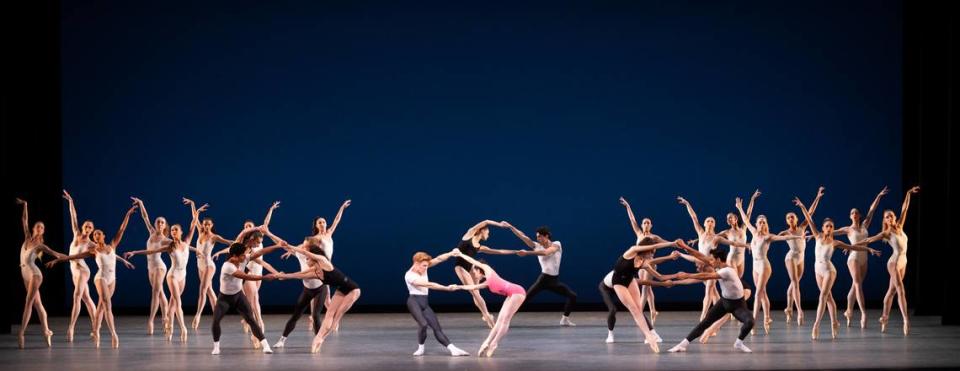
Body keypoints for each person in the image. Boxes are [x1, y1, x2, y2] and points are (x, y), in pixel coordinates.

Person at [48, 203, 138, 348]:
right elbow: (73, 256)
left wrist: (127, 214)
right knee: (107, 305)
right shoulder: (93, 250)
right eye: (94, 234)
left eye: (98, 233)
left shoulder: (112, 245)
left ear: (103, 236)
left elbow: (121, 229)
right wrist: (58, 259)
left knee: (101, 307)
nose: (95, 235)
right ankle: (114, 334)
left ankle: (95, 330)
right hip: (100, 278)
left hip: (112, 279)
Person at [794, 196, 881, 340]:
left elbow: (853, 246)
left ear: (833, 229)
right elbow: (809, 219)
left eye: (831, 226)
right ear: (823, 228)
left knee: (822, 295)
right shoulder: (817, 235)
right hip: (817, 269)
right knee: (828, 298)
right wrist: (802, 206)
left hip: (829, 270)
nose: (829, 228)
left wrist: (869, 250)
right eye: (826, 226)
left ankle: (816, 325)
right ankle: (835, 322)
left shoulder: (836, 242)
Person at [269, 234, 360, 354]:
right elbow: (298, 275)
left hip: (353, 290)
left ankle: (324, 335)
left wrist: (289, 246)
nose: (306, 261)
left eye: (308, 259)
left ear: (313, 257)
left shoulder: (323, 261)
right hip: (341, 290)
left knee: (335, 318)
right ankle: (318, 339)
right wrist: (281, 275)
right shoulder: (315, 272)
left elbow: (307, 254)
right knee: (329, 315)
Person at [124, 199, 200, 342]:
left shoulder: (176, 241)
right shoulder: (166, 243)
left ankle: (166, 324)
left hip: (172, 271)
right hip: (169, 274)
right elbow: (150, 249)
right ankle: (180, 328)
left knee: (171, 301)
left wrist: (193, 206)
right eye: (158, 222)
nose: (173, 232)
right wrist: (141, 203)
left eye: (174, 229)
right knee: (172, 300)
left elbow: (193, 224)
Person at [733, 196, 803, 334]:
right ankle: (767, 317)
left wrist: (797, 237)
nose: (762, 224)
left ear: (766, 224)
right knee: (763, 294)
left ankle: (751, 323)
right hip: (755, 267)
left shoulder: (768, 236)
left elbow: (783, 237)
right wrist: (740, 208)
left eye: (764, 222)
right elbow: (746, 220)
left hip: (765, 266)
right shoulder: (753, 233)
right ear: (757, 224)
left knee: (758, 293)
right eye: (760, 222)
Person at [857, 186, 920, 335]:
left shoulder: (900, 226)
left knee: (891, 292)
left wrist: (908, 193)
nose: (890, 218)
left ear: (894, 217)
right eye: (887, 217)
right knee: (900, 290)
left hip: (903, 262)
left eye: (891, 216)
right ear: (884, 220)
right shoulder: (886, 233)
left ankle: (884, 317)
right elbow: (869, 239)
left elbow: (905, 209)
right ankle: (906, 320)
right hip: (893, 262)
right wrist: (852, 246)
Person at [667, 248, 755, 353]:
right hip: (724, 302)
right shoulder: (717, 266)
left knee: (750, 322)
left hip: (738, 305)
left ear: (718, 259)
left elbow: (707, 275)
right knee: (704, 323)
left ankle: (739, 343)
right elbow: (699, 256)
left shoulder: (727, 271)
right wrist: (685, 247)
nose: (710, 262)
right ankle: (683, 345)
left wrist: (687, 274)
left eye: (712, 260)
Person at [677, 196, 750, 320]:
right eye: (708, 221)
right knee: (714, 293)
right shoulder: (700, 233)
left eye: (712, 221)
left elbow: (733, 243)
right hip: (700, 265)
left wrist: (747, 245)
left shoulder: (717, 237)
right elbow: (694, 217)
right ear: (705, 224)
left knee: (709, 291)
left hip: (710, 266)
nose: (710, 222)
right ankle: (721, 313)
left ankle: (704, 317)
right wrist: (687, 203)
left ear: (714, 224)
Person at [449, 250, 525, 357]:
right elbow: (473, 287)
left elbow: (472, 260)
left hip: (518, 292)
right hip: (511, 294)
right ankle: (486, 342)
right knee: (499, 321)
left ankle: (494, 343)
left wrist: (461, 254)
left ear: (480, 270)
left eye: (475, 272)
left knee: (505, 320)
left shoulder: (487, 269)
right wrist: (458, 287)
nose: (474, 275)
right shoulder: (487, 282)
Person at [599, 250, 682, 344]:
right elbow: (644, 281)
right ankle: (610, 334)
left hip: (619, 286)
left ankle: (653, 334)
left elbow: (649, 278)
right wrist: (662, 283)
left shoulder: (630, 276)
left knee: (638, 311)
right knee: (613, 309)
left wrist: (664, 281)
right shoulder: (623, 272)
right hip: (606, 288)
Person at [503, 222, 577, 326]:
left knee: (572, 296)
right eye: (537, 237)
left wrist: (527, 253)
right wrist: (511, 227)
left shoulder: (557, 244)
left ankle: (564, 319)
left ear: (546, 236)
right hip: (543, 279)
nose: (538, 239)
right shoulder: (536, 246)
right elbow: (523, 236)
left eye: (540, 237)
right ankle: (505, 319)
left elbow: (546, 252)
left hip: (554, 281)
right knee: (523, 299)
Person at [834, 187, 888, 328]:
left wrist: (879, 195)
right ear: (850, 216)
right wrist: (815, 234)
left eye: (856, 212)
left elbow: (872, 210)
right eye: (852, 213)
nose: (854, 214)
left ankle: (848, 310)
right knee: (857, 284)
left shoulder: (865, 225)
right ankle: (863, 313)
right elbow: (830, 232)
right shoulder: (847, 229)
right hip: (854, 258)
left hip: (864, 258)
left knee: (855, 285)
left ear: (859, 215)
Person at [15, 198, 66, 348]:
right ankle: (47, 331)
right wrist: (25, 205)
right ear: (33, 228)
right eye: (37, 226)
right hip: (24, 274)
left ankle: (21, 334)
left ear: (42, 231)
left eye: (42, 227)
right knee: (38, 304)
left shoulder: (40, 245)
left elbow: (56, 254)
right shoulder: (26, 238)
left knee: (28, 302)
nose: (39, 228)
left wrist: (72, 258)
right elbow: (24, 219)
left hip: (34, 274)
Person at [210, 242, 276, 355]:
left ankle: (265, 345)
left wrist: (277, 246)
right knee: (215, 321)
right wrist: (264, 277)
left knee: (251, 319)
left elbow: (261, 252)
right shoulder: (227, 266)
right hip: (224, 298)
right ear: (234, 256)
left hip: (238, 296)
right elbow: (246, 276)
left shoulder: (243, 259)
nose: (245, 256)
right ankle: (216, 347)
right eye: (243, 255)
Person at [452, 220, 520, 328]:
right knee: (475, 292)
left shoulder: (480, 247)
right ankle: (488, 317)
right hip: (460, 267)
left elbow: (499, 251)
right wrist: (500, 225)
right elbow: (486, 221)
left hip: (471, 268)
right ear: (482, 230)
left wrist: (515, 251)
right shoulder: (469, 234)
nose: (488, 235)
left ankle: (485, 314)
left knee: (476, 294)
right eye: (487, 232)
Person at [404, 251, 470, 356]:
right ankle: (421, 348)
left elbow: (439, 259)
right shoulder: (409, 275)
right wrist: (446, 288)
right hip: (414, 301)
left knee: (437, 328)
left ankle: (453, 349)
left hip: (424, 303)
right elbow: (430, 285)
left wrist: (451, 253)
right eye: (424, 266)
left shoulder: (424, 267)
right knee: (423, 324)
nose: (426, 268)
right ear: (416, 263)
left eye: (427, 265)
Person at [618, 197, 672, 324]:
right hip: (639, 265)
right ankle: (653, 310)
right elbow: (632, 220)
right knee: (646, 287)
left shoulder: (654, 237)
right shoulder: (639, 234)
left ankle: (640, 314)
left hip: (650, 264)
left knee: (645, 289)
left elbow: (667, 243)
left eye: (648, 223)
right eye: (644, 223)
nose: (646, 224)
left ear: (651, 225)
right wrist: (628, 207)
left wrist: (679, 245)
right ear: (642, 225)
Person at [779, 187, 824, 325]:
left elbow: (810, 212)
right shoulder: (785, 233)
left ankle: (788, 308)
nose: (790, 218)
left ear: (796, 218)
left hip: (801, 257)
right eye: (788, 217)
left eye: (792, 216)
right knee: (795, 283)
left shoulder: (803, 227)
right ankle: (799, 311)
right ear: (787, 221)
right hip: (791, 257)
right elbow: (770, 238)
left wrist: (817, 197)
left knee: (794, 284)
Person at [62, 190, 99, 341]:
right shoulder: (76, 234)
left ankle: (71, 329)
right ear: (83, 227)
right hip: (74, 270)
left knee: (77, 296)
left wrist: (122, 260)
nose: (88, 228)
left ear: (92, 230)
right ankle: (96, 326)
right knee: (86, 298)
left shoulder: (91, 244)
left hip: (82, 270)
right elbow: (73, 217)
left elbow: (106, 251)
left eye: (91, 227)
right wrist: (71, 201)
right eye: (86, 226)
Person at [130, 197, 171, 334]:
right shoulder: (151, 233)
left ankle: (151, 321)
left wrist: (196, 251)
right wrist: (141, 203)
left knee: (155, 292)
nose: (159, 224)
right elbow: (145, 217)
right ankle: (166, 318)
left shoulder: (166, 240)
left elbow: (182, 244)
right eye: (158, 222)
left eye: (162, 222)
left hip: (160, 267)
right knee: (160, 294)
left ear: (165, 226)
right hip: (150, 268)